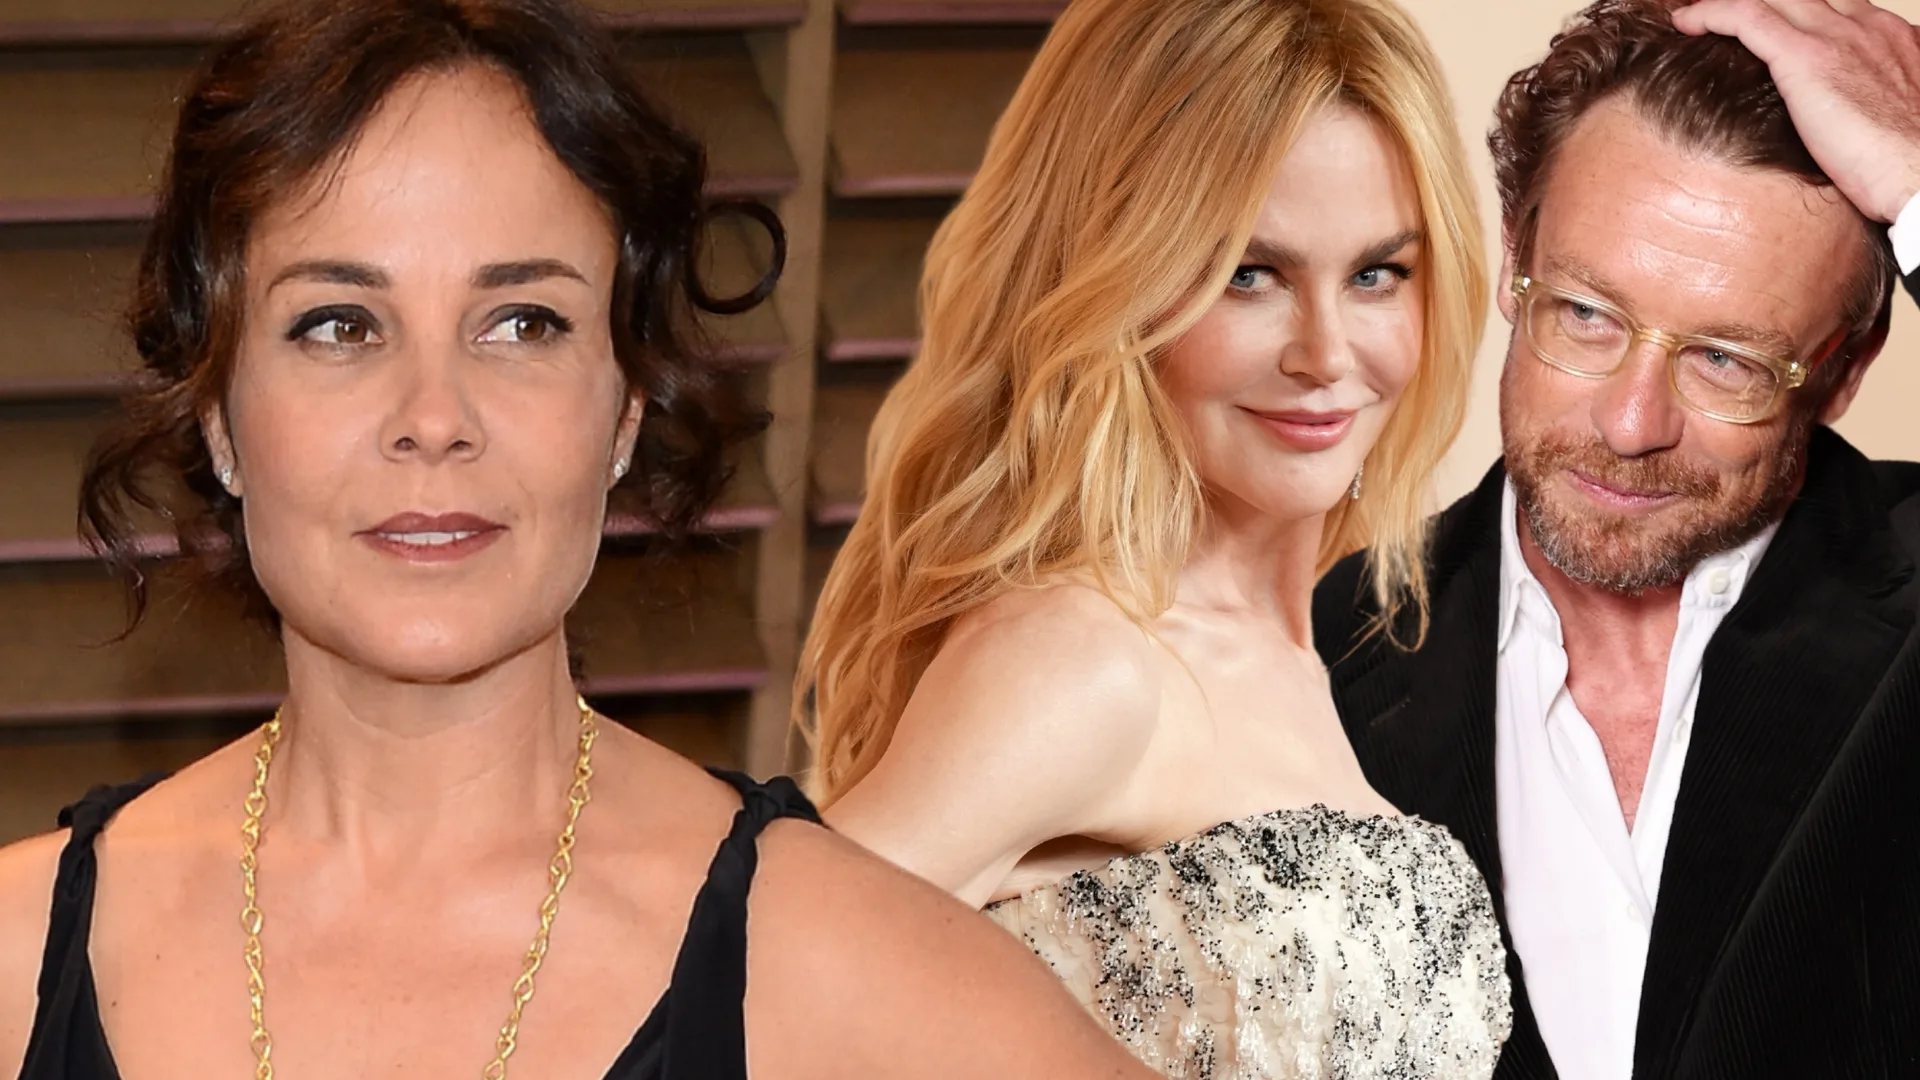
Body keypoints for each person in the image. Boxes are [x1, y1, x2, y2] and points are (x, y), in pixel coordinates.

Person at [0, 2, 1162, 1078]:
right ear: (220, 418)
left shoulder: (859, 977)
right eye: (340, 325)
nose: (434, 419)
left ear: (625, 411)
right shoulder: (12, 963)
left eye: (522, 323)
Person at [795, 0, 1511, 1074]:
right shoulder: (1083, 664)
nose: (1326, 355)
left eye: (1376, 274)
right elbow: (734, 1000)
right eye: (1248, 274)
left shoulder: (1322, 653)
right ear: (1118, 284)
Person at [1312, 0, 1920, 1077]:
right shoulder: (1314, 652)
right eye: (1587, 314)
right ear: (1516, 263)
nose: (1631, 424)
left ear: (1844, 370)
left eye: (1727, 360)